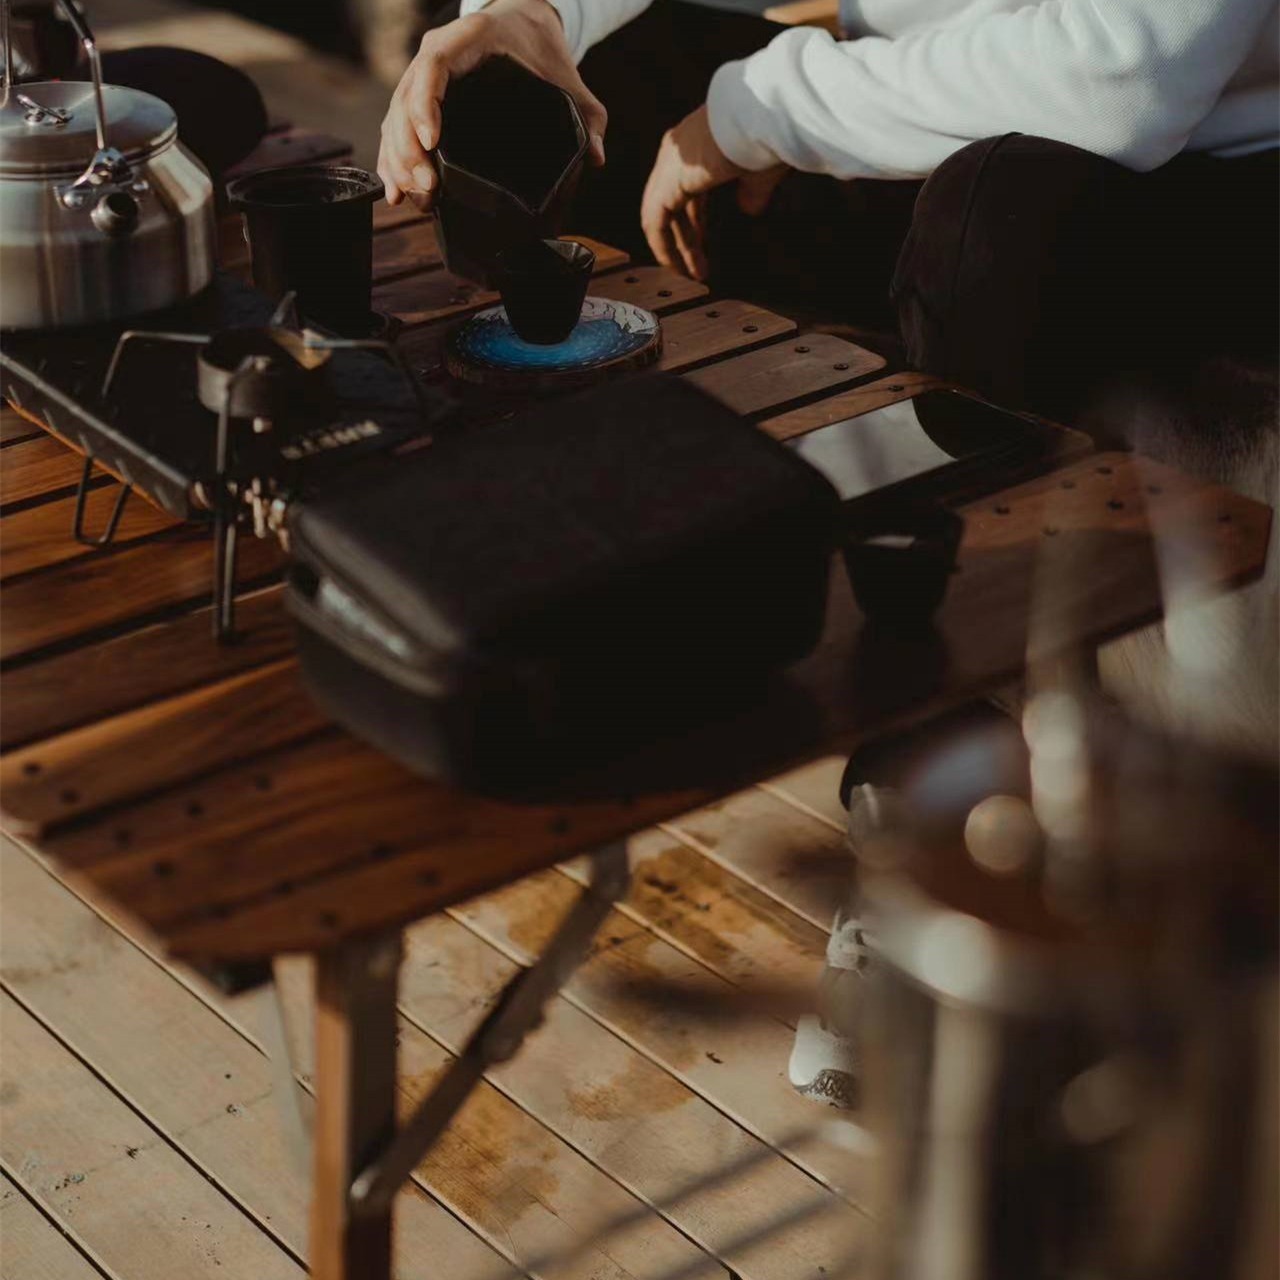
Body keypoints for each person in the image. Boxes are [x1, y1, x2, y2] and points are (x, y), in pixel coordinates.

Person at [378, 0, 1278, 1106]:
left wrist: (757, 111)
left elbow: (1126, 72)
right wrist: (528, 17)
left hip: (1218, 170)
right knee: (585, 89)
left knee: (990, 212)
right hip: (964, 116)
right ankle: (572, 662)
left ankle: (954, 849)